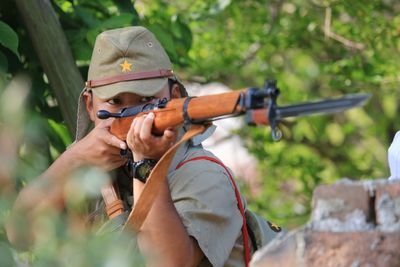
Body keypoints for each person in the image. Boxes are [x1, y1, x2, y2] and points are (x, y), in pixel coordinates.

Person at [6, 26, 248, 267]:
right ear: (90, 106)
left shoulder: (204, 174)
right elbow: (20, 235)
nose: (133, 118)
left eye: (146, 101)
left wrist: (146, 165)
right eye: (114, 102)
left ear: (174, 97)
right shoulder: (88, 171)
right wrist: (76, 159)